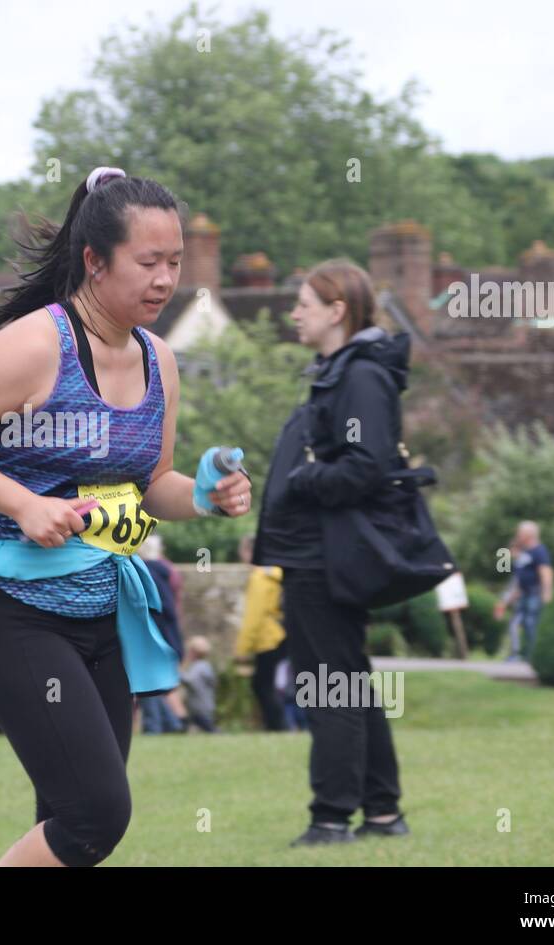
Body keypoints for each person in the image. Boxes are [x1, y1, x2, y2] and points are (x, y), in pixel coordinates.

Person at [0, 167, 252, 866]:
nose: (164, 280)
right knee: (95, 814)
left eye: (174, 262)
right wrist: (25, 504)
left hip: (103, 614)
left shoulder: (159, 359)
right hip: (11, 610)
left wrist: (205, 494)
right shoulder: (38, 345)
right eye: (148, 262)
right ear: (95, 260)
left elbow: (151, 487)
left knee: (67, 822)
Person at [251, 259, 409, 847]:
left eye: (304, 304)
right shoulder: (338, 371)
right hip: (314, 552)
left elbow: (367, 467)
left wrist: (301, 478)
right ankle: (383, 813)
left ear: (337, 310)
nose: (293, 313)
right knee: (348, 680)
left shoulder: (360, 376)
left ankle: (331, 818)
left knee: (326, 683)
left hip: (328, 556)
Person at [236, 534, 289, 731]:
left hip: (267, 637)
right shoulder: (275, 573)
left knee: (262, 684)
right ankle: (277, 725)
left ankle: (278, 727)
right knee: (269, 683)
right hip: (281, 634)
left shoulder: (259, 577)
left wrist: (242, 647)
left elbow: (254, 615)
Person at [138, 535, 187, 734]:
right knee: (161, 683)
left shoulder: (150, 572)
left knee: (152, 682)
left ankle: (163, 724)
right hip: (167, 635)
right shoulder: (165, 571)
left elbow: (160, 608)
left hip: (155, 636)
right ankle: (173, 722)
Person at [494, 520, 554, 662]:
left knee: (531, 624)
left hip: (535, 594)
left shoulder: (539, 551)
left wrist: (547, 593)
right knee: (515, 624)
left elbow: (546, 572)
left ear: (528, 535)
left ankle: (532, 655)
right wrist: (507, 601)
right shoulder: (523, 554)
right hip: (523, 595)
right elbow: (518, 580)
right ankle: (516, 654)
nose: (517, 536)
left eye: (519, 533)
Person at [179, 636, 218, 733]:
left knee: (208, 727)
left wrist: (177, 673)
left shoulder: (199, 667)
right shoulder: (205, 665)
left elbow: (190, 680)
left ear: (193, 652)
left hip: (200, 706)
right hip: (204, 705)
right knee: (203, 726)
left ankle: (218, 734)